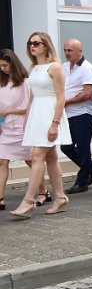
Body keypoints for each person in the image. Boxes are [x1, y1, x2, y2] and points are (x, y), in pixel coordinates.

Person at [8, 33, 72, 219]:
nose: (32, 46)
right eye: (30, 43)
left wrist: (55, 123)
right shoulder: (34, 68)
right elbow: (31, 98)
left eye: (36, 43)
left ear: (46, 45)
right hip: (37, 114)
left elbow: (61, 98)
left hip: (50, 114)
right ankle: (60, 197)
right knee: (50, 157)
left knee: (37, 156)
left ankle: (28, 201)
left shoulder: (55, 67)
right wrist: (27, 119)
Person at [0, 49, 47, 211]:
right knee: (2, 161)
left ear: (13, 63)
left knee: (31, 160)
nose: (3, 69)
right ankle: (0, 197)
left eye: (5, 65)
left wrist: (9, 111)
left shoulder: (26, 83)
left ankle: (43, 191)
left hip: (22, 127)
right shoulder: (2, 83)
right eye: (1, 66)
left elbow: (30, 107)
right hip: (5, 128)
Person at [60, 38, 92, 194]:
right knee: (65, 146)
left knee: (83, 148)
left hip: (83, 114)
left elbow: (87, 93)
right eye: (65, 50)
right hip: (67, 115)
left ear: (80, 51)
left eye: (70, 50)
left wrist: (67, 101)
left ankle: (82, 181)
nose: (67, 53)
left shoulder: (87, 68)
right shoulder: (64, 67)